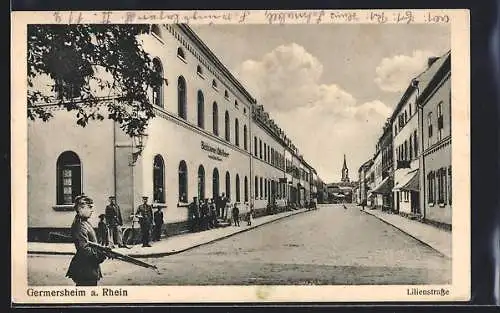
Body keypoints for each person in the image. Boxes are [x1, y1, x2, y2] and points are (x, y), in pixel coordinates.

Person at [66, 194, 107, 286]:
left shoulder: (84, 222)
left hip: (89, 266)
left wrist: (102, 250)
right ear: (81, 208)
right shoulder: (80, 225)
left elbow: (91, 244)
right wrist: (100, 256)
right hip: (85, 268)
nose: (92, 210)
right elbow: (84, 249)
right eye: (89, 207)